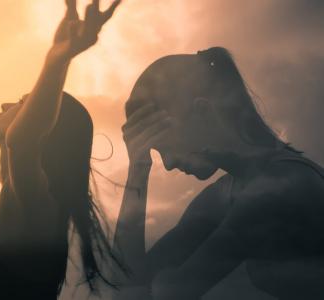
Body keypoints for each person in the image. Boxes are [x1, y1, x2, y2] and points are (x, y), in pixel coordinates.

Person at [113, 47, 324, 300]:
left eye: (167, 147)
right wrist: (138, 169)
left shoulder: (279, 189)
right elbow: (128, 284)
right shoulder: (228, 192)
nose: (168, 164)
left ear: (202, 113)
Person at [0, 1, 123, 299]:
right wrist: (59, 57)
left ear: (46, 132)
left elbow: (22, 140)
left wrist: (57, 60)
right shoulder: (28, 207)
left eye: (23, 104)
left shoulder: (35, 208)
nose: (7, 106)